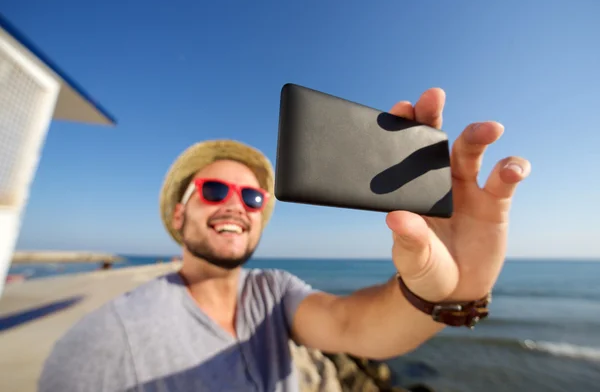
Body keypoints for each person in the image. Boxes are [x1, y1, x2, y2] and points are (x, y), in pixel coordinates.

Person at [38, 88, 530, 391]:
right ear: (179, 210)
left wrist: (451, 292)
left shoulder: (271, 292)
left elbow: (354, 327)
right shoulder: (102, 341)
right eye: (214, 190)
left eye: (253, 198)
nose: (236, 205)